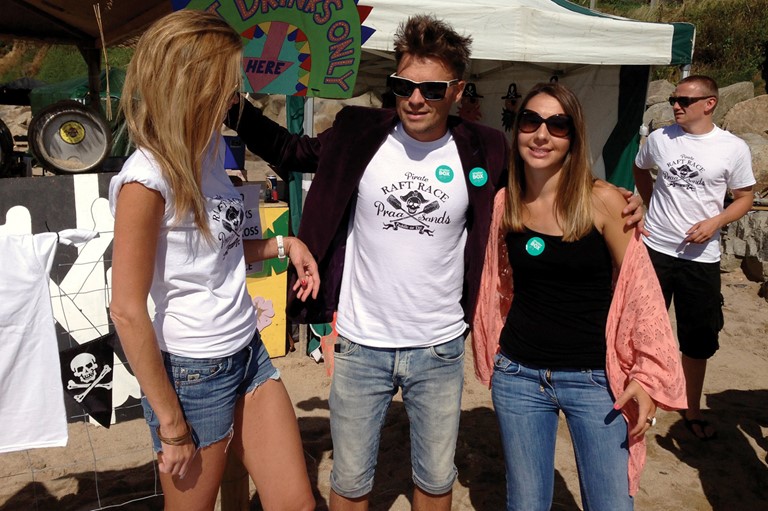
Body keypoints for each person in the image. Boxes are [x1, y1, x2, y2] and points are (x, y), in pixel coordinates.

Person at [229, 15, 644, 510]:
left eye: (431, 87)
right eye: (404, 85)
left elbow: (544, 178)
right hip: (362, 344)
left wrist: (610, 192)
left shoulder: (484, 146)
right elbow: (289, 150)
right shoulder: (358, 131)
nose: (416, 98)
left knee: (434, 478)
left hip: (440, 349)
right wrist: (238, 110)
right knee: (351, 480)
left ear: (457, 90)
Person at [108, 10, 317, 511]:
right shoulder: (147, 177)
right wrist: (173, 426)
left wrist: (285, 246)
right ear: (192, 85)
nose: (235, 96)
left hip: (248, 350)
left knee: (296, 503)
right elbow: (127, 310)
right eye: (227, 83)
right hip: (193, 372)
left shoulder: (206, 152)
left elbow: (216, 253)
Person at [472, 82, 687, 510]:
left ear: (574, 136)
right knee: (526, 503)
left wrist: (645, 376)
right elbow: (494, 285)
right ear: (517, 130)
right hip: (518, 376)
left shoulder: (604, 201)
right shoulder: (505, 202)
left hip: (596, 381)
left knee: (610, 503)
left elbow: (642, 296)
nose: (541, 134)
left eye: (558, 124)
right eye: (531, 121)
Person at [633, 75, 755, 441]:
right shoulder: (659, 139)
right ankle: (641, 397)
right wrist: (652, 202)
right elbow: (641, 168)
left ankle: (691, 406)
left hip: (701, 258)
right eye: (673, 98)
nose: (676, 105)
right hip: (656, 249)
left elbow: (745, 197)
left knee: (697, 338)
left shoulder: (732, 148)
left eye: (684, 99)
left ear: (710, 103)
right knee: (643, 329)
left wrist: (716, 221)